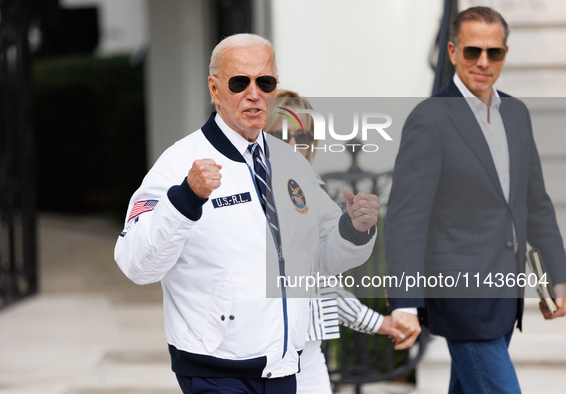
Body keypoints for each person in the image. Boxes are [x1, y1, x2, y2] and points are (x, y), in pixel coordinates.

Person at [114, 34, 381, 394]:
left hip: (284, 366)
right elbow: (136, 265)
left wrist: (353, 229)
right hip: (216, 370)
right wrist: (186, 200)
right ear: (214, 88)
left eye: (265, 82)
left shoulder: (291, 163)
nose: (254, 93)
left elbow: (323, 260)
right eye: (240, 82)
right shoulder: (177, 164)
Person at [384, 6, 566, 393]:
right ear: (452, 52)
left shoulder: (516, 113)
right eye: (472, 52)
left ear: (504, 54)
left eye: (493, 52)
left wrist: (558, 272)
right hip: (461, 301)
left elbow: (535, 202)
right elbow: (406, 219)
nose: (483, 62)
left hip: (505, 298)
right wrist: (404, 302)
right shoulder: (429, 119)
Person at [265, 90, 405, 394]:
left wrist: (356, 228)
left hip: (310, 353)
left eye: (302, 135)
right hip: (263, 356)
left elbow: (320, 280)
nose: (293, 144)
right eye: (282, 134)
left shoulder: (309, 190)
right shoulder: (251, 194)